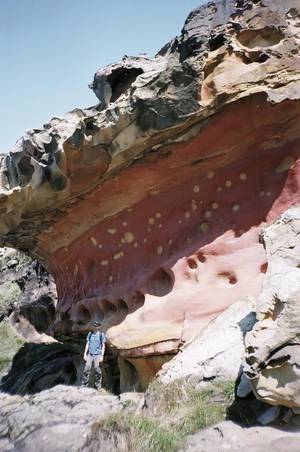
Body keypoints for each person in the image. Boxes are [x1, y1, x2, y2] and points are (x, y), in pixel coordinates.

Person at [81, 320, 106, 390]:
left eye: (96, 326)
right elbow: (87, 344)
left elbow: (103, 345)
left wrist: (102, 355)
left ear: (99, 327)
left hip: (97, 355)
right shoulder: (90, 334)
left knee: (97, 370)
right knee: (86, 369)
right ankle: (84, 385)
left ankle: (98, 385)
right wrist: (85, 354)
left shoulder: (101, 335)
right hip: (90, 354)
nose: (94, 327)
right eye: (93, 326)